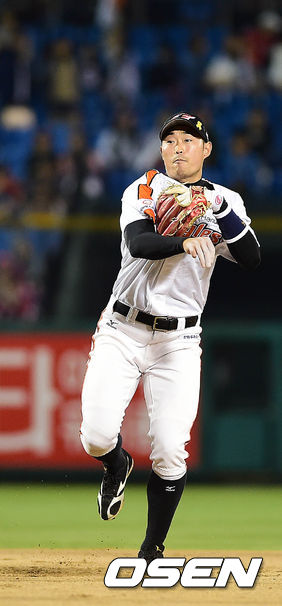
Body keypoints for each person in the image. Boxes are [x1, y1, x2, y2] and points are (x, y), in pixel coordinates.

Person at [80, 112, 260, 563]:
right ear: (161, 150)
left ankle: (151, 552)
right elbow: (139, 242)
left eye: (188, 140)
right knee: (95, 437)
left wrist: (217, 211)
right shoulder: (144, 188)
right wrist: (184, 241)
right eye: (170, 140)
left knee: (169, 451)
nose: (178, 147)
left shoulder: (225, 200)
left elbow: (251, 257)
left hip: (178, 341)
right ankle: (116, 463)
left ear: (206, 149)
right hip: (122, 329)